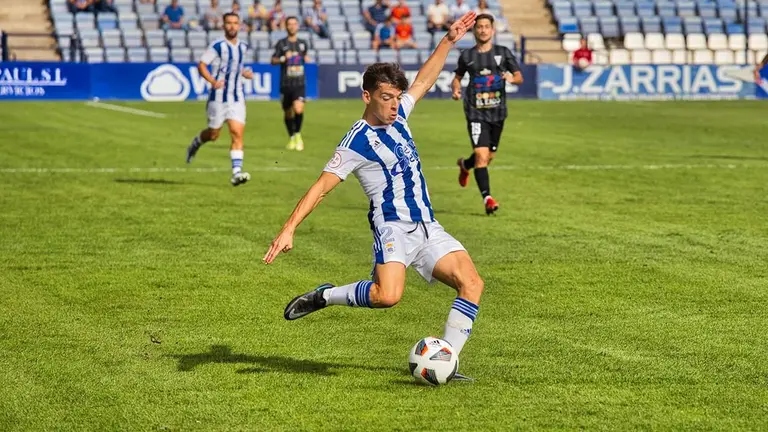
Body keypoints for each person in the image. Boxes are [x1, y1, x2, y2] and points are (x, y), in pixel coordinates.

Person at [264, 13, 484, 379]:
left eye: (397, 98)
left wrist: (448, 40)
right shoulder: (356, 141)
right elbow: (320, 187)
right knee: (387, 296)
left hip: (427, 225)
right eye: (386, 98)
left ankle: (448, 361)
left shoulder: (399, 116)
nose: (395, 105)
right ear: (367, 96)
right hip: (392, 228)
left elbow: (424, 81)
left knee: (472, 284)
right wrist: (289, 228)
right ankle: (325, 295)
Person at [451, 14, 523, 215]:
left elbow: (519, 77)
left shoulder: (503, 52)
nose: (483, 30)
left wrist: (511, 78)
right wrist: (456, 89)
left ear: (492, 30)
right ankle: (488, 199)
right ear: (475, 31)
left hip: (498, 113)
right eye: (479, 27)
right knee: (482, 156)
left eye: (486, 26)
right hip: (475, 112)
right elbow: (457, 78)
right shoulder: (467, 56)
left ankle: (465, 165)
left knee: (488, 157)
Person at [186, 13, 254, 187]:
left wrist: (244, 73)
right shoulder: (217, 46)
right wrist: (212, 81)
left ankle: (236, 173)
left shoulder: (243, 47)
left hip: (237, 97)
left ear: (239, 25)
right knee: (213, 134)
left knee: (237, 132)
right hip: (218, 98)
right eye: (229, 23)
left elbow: (235, 67)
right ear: (223, 26)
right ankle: (196, 143)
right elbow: (202, 65)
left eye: (235, 23)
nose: (232, 26)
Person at [271, 17, 310, 151]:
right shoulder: (281, 43)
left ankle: (298, 135)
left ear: (297, 26)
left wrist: (305, 59)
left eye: (294, 24)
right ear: (286, 26)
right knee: (288, 113)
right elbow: (273, 60)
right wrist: (283, 58)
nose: (292, 26)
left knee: (298, 109)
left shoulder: (303, 43)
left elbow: (304, 57)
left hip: (299, 83)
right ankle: (292, 137)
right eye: (290, 24)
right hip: (286, 83)